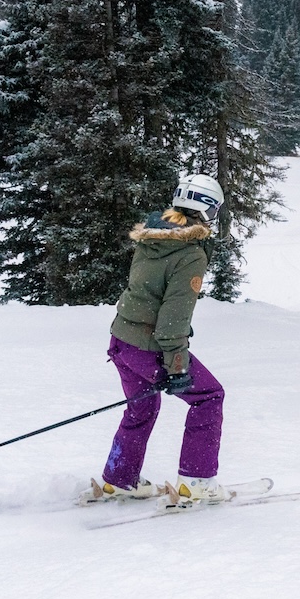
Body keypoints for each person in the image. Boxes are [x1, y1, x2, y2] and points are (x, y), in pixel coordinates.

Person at [87, 173, 231, 504]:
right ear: (205, 207)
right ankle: (195, 484)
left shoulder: (156, 237)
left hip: (121, 341)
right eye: (216, 209)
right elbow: (172, 320)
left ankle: (119, 479)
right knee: (209, 397)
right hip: (148, 346)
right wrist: (177, 366)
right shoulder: (190, 253)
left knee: (141, 407)